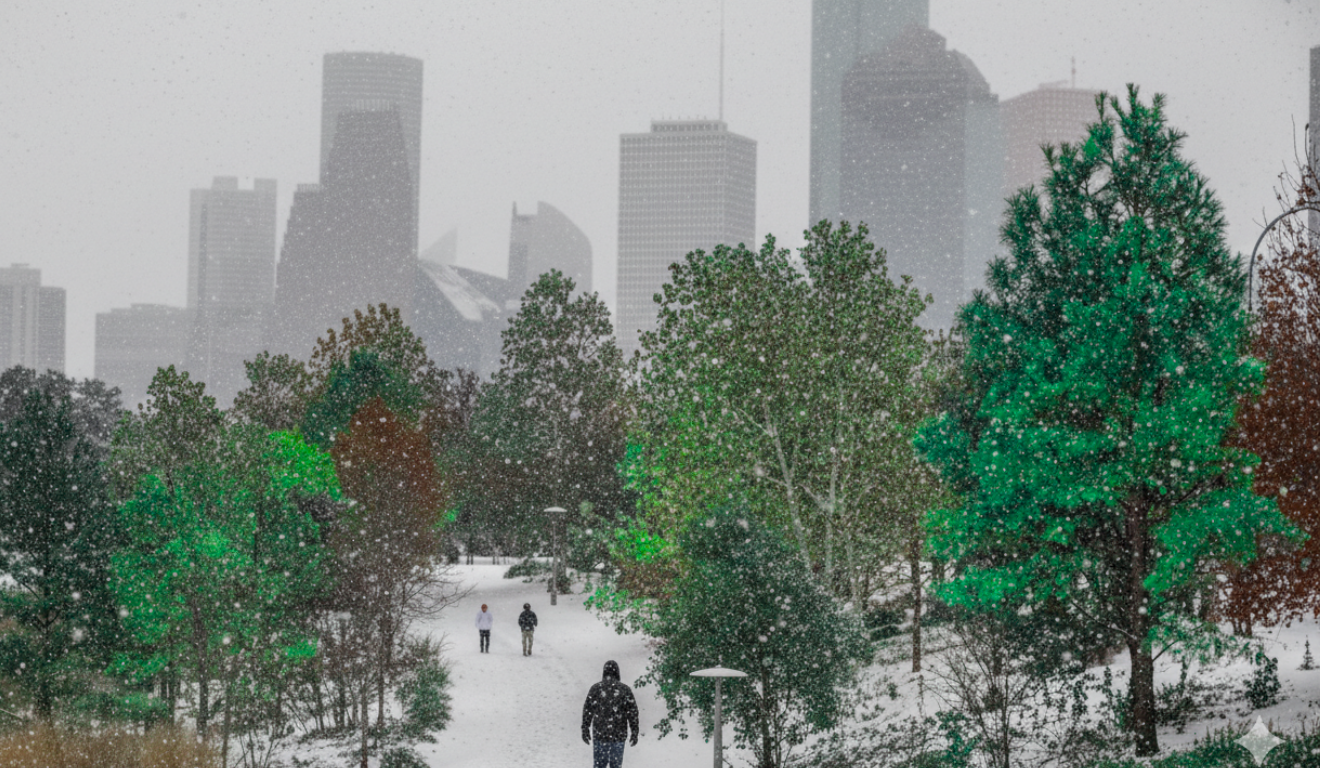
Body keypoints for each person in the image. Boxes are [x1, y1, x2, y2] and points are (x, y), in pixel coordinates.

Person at [581, 660, 639, 768]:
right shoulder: (625, 690)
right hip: (619, 735)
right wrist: (634, 731)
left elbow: (587, 710)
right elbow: (632, 713)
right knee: (616, 765)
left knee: (599, 765)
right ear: (617, 672)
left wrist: (585, 728)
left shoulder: (596, 689)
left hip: (600, 734)